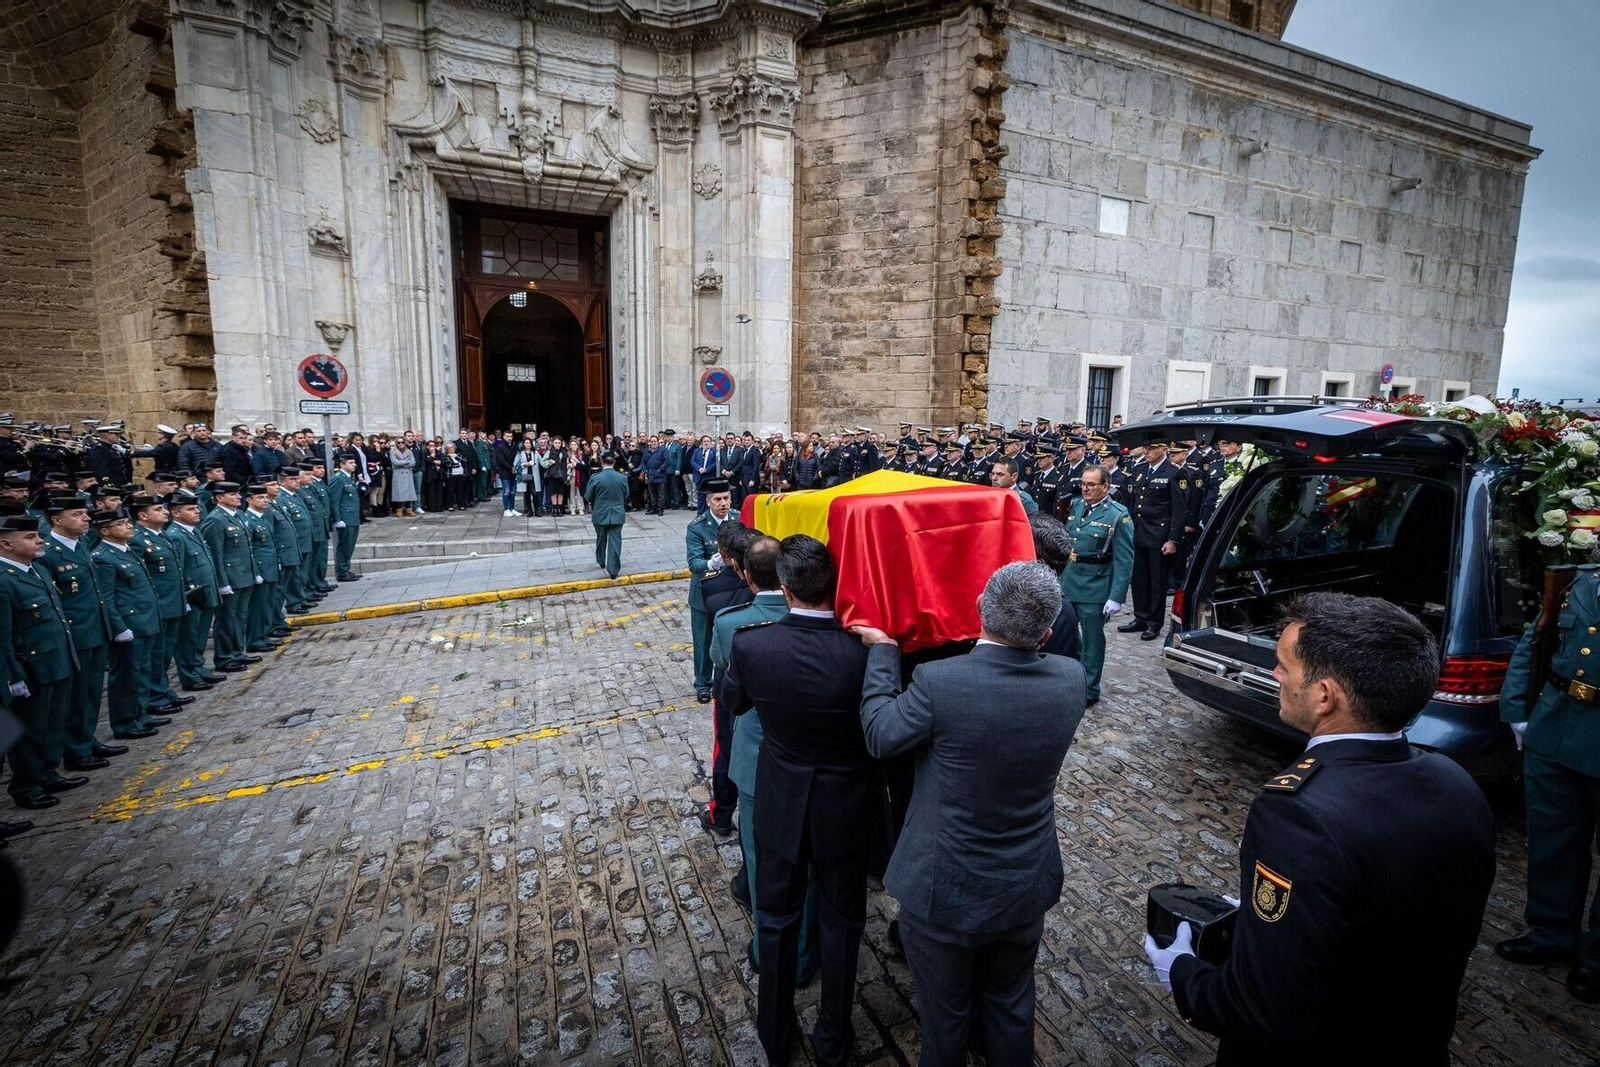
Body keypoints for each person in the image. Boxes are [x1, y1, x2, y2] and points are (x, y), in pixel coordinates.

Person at [1144, 592, 1496, 1062]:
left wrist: (1183, 975)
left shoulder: (1298, 814)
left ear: (1325, 696)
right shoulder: (1455, 781)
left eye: (1284, 667)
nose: (1275, 675)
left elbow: (1264, 1009)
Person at [852, 561, 1084, 1067]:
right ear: (1047, 633)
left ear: (980, 608)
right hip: (1025, 881)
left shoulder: (942, 683)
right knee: (1011, 1005)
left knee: (945, 1018)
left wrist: (885, 651)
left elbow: (880, 734)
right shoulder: (1071, 678)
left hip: (945, 889)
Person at [717, 534, 878, 1067]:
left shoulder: (752, 645)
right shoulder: (866, 652)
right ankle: (834, 1035)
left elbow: (733, 703)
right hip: (845, 804)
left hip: (782, 800)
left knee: (776, 918)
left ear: (785, 590)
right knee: (842, 921)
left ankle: (775, 1030)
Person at [1497, 564, 1600, 1002]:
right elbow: (1535, 640)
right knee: (1552, 838)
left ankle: (1597, 958)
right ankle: (1551, 933)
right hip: (1556, 726)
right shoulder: (1580, 580)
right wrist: (1516, 708)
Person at [1, 513, 85, 810]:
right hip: (31, 668)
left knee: (53, 723)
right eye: (30, 537)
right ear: (6, 544)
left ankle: (48, 773)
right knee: (31, 731)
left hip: (56, 660)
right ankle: (27, 786)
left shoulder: (36, 570)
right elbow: (3, 637)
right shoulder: (4, 581)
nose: (39, 540)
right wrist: (13, 677)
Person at [38, 496, 125, 769]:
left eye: (84, 513)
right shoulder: (48, 553)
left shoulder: (81, 544)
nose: (86, 518)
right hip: (75, 634)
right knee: (75, 695)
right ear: (56, 519)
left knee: (91, 691)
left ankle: (86, 738)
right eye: (77, 514)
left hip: (95, 628)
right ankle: (75, 750)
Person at [91, 509, 172, 740]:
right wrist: (119, 628)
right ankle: (125, 722)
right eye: (121, 523)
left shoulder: (125, 550)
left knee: (142, 670)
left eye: (128, 521)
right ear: (105, 531)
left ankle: (140, 714)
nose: (128, 526)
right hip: (129, 623)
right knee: (127, 675)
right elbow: (106, 598)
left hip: (145, 620)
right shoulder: (103, 557)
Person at [1059, 466, 1134, 706]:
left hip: (1095, 586)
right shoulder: (1076, 505)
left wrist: (1116, 596)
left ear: (1105, 487)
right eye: (1083, 483)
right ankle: (1074, 675)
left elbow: (1124, 559)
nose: (1085, 488)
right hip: (1070, 580)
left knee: (1092, 641)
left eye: (1091, 484)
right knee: (1067, 633)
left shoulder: (1117, 514)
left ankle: (1090, 688)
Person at [128, 493, 193, 715]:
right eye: (158, 509)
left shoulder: (160, 534)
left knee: (165, 653)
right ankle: (155, 697)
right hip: (158, 605)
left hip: (172, 601)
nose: (165, 512)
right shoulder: (137, 539)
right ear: (142, 515)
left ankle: (163, 691)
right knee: (156, 656)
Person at [163, 489, 226, 693]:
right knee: (188, 637)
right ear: (175, 513)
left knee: (199, 635)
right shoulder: (176, 536)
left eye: (196, 508)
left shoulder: (192, 530)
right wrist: (185, 597)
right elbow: (178, 570)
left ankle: (198, 668)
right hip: (192, 594)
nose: (197, 511)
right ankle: (189, 675)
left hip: (205, 591)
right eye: (190, 509)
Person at [1120, 439, 1177, 641]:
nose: (1147, 451)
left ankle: (1154, 622)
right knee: (1139, 579)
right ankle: (1140, 617)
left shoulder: (1173, 472)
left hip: (1159, 535)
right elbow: (1134, 502)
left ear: (1164, 449)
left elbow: (1179, 509)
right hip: (1139, 532)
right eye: (1145, 448)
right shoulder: (1140, 470)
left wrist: (1173, 539)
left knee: (1157, 582)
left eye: (1152, 448)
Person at [200, 481, 260, 672]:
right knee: (226, 619)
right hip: (230, 577)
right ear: (219, 498)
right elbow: (215, 554)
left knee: (239, 617)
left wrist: (254, 572)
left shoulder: (239, 515)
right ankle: (224, 657)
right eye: (232, 494)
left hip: (244, 574)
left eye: (238, 493)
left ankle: (237, 652)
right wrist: (222, 582)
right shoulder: (215, 520)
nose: (238, 497)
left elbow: (247, 548)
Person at [686, 478, 734, 704]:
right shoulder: (697, 527)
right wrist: (712, 562)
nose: (723, 503)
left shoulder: (738, 519)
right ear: (708, 502)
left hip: (733, 589)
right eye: (717, 499)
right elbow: (694, 563)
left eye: (726, 498)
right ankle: (703, 682)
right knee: (703, 639)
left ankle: (729, 678)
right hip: (705, 591)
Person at [582, 451, 628, 580]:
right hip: (617, 513)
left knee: (601, 538)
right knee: (615, 541)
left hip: (600, 512)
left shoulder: (595, 478)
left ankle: (601, 560)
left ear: (602, 462)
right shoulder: (622, 477)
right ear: (614, 462)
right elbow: (626, 495)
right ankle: (613, 569)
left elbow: (588, 496)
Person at [330, 454, 362, 581]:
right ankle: (342, 572)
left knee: (350, 546)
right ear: (342, 464)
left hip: (353, 517)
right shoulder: (338, 479)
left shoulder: (348, 478)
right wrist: (337, 519)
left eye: (354, 462)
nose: (354, 465)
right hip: (345, 517)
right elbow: (334, 500)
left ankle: (346, 569)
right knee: (344, 546)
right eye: (350, 462)